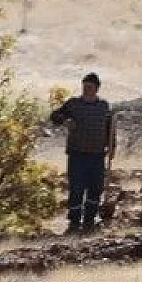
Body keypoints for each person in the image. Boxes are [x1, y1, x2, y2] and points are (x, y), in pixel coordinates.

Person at [50, 72, 116, 235]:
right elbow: (54, 116)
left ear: (97, 89)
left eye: (90, 87)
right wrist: (65, 121)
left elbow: (111, 129)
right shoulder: (73, 104)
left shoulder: (104, 106)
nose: (86, 90)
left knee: (95, 188)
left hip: (97, 155)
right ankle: (74, 222)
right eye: (84, 87)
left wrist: (112, 147)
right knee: (77, 188)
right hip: (77, 154)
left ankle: (89, 221)